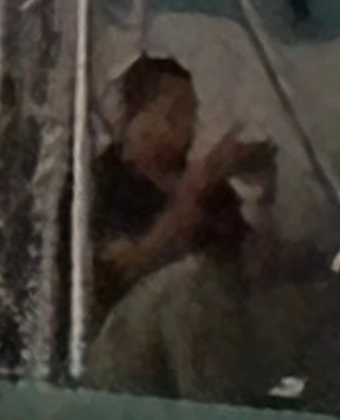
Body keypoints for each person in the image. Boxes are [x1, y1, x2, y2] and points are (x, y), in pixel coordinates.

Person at [87, 55, 288, 400]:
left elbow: (252, 275)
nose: (185, 127)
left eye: (190, 113)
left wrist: (263, 199)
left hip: (212, 347)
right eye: (172, 113)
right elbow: (119, 270)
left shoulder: (213, 193)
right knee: (190, 285)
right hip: (120, 356)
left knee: (330, 301)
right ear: (132, 119)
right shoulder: (100, 181)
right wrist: (195, 189)